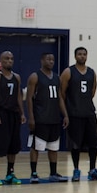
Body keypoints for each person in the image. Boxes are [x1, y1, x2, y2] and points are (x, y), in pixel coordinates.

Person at [26, 52, 69, 183]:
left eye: (52, 59)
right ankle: (34, 173)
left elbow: (60, 98)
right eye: (48, 59)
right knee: (36, 147)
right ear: (42, 60)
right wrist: (31, 117)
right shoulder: (35, 76)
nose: (51, 61)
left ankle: (53, 173)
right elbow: (28, 98)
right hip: (40, 118)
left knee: (53, 147)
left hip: (54, 117)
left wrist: (65, 115)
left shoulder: (57, 78)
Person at [60, 47, 97, 181]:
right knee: (75, 145)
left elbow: (92, 91)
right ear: (75, 56)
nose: (82, 56)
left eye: (84, 54)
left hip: (89, 112)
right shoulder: (68, 72)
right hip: (74, 113)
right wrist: (66, 113)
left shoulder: (92, 72)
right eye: (79, 54)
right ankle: (76, 170)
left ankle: (92, 169)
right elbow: (62, 94)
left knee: (94, 143)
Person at [0, 51, 26, 185]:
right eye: (6, 58)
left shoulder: (17, 77)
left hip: (13, 114)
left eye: (11, 58)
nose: (9, 60)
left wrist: (22, 113)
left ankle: (10, 173)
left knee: (13, 145)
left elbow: (19, 96)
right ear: (1, 61)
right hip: (1, 114)